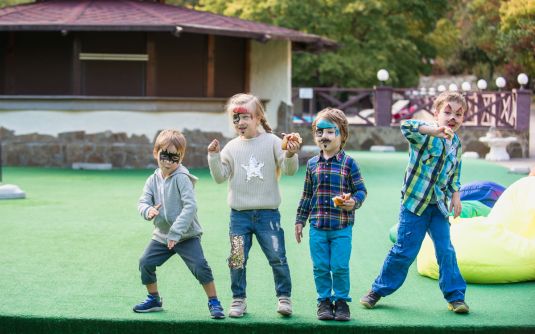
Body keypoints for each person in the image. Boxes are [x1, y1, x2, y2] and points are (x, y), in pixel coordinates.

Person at [360, 91, 469, 314]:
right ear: (436, 113)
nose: (452, 118)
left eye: (458, 114)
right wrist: (433, 131)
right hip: (414, 205)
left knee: (446, 250)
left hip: (438, 207)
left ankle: (456, 297)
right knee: (404, 251)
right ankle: (377, 291)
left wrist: (455, 195)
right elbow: (406, 126)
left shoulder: (456, 145)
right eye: (447, 112)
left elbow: (454, 174)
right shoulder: (425, 135)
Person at [207, 93, 300, 318]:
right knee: (237, 259)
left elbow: (289, 170)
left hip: (268, 216)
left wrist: (289, 153)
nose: (240, 122)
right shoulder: (230, 148)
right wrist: (213, 156)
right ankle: (238, 300)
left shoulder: (273, 142)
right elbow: (220, 177)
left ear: (258, 117)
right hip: (239, 217)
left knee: (278, 257)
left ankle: (284, 297)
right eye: (236, 118)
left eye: (245, 117)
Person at [134, 129, 225, 319]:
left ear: (181, 157)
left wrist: (176, 233)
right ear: (155, 153)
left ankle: (214, 301)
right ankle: (154, 299)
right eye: (164, 155)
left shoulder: (182, 178)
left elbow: (190, 207)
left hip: (186, 235)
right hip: (162, 235)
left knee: (200, 266)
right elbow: (142, 202)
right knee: (145, 262)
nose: (168, 161)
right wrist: (148, 210)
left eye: (174, 157)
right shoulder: (152, 180)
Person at [295, 108, 367, 321]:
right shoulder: (311, 164)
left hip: (341, 227)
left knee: (339, 266)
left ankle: (342, 301)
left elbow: (361, 190)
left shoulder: (349, 163)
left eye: (329, 131)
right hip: (317, 227)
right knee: (320, 267)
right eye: (319, 131)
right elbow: (307, 195)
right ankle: (324, 301)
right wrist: (300, 220)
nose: (323, 136)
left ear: (342, 135)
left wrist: (353, 202)